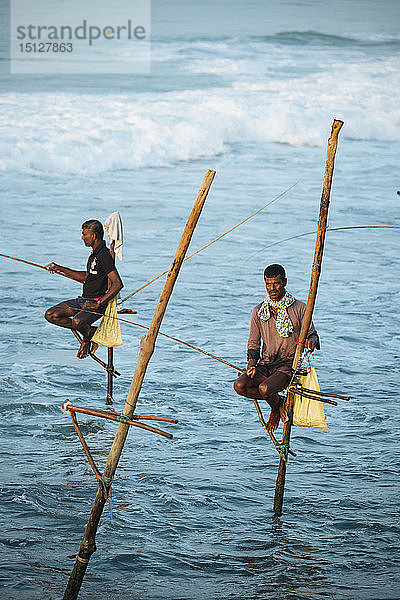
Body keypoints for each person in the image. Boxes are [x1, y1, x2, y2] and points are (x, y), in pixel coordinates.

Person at [234, 264, 319, 432]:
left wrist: (311, 342)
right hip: (266, 364)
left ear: (285, 282)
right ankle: (278, 402)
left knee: (265, 389)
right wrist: (251, 366)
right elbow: (253, 343)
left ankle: (275, 407)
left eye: (276, 283)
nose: (272, 288)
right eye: (268, 284)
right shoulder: (258, 311)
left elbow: (313, 335)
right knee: (240, 386)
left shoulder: (300, 308)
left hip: (289, 365)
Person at [44, 219, 124, 359]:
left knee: (77, 321)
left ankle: (88, 337)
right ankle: (92, 333)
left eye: (84, 234)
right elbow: (87, 277)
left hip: (96, 303)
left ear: (93, 236)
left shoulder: (103, 255)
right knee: (51, 314)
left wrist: (99, 303)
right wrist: (60, 268)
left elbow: (117, 284)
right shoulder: (94, 254)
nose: (82, 237)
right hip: (84, 300)